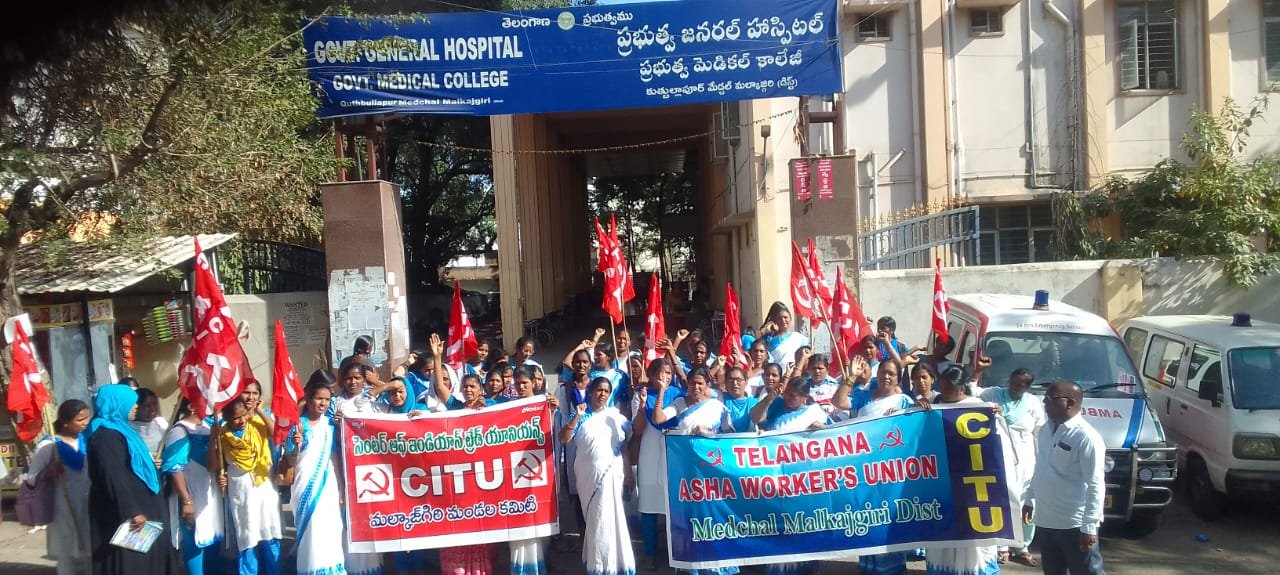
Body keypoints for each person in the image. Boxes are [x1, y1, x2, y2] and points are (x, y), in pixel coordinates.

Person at [919, 366, 1006, 575]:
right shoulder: (931, 405)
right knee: (943, 538)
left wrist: (994, 414)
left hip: (972, 484)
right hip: (940, 483)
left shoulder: (978, 407)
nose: (943, 390)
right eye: (942, 385)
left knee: (973, 541)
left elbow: (997, 447)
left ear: (961, 387)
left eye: (948, 387)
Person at [87, 385, 175, 575]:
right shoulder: (105, 436)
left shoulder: (123, 431)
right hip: (126, 514)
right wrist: (131, 511)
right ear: (117, 404)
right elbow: (114, 476)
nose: (135, 406)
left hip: (144, 506)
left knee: (148, 561)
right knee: (131, 562)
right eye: (131, 402)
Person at [1023, 380, 1107, 575]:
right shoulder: (1045, 430)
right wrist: (1030, 499)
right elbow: (1040, 468)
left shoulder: (1086, 437)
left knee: (1087, 572)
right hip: (1045, 520)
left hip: (1073, 524)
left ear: (1070, 403)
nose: (1043, 402)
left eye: (1050, 399)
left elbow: (1095, 484)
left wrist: (1089, 526)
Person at [749, 377, 827, 575]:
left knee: (804, 524)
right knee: (778, 524)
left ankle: (809, 566)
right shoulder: (776, 406)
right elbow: (755, 417)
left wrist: (821, 430)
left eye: (794, 395)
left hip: (803, 480)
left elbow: (832, 438)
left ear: (805, 398)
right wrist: (769, 398)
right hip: (776, 478)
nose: (789, 397)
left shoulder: (814, 412)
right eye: (788, 392)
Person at [559, 376, 636, 575]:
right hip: (587, 475)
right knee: (595, 518)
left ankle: (612, 565)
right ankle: (597, 563)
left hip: (611, 473)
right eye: (598, 390)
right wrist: (576, 416)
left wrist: (628, 472)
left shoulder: (616, 417)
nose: (602, 394)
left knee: (609, 517)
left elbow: (625, 446)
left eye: (606, 391)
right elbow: (564, 439)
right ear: (591, 392)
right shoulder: (581, 415)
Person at [281, 381, 350, 575]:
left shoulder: (330, 426)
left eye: (327, 399)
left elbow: (335, 458)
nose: (323, 403)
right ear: (309, 399)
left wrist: (341, 488)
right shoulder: (298, 426)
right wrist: (296, 445)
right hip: (305, 485)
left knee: (331, 526)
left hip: (327, 484)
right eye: (319, 398)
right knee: (311, 531)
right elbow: (290, 459)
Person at [982, 368, 1046, 567]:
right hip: (999, 457)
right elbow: (969, 394)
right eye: (1013, 382)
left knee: (1027, 502)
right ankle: (1002, 546)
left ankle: (1022, 547)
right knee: (1001, 499)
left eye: (1020, 385)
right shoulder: (992, 394)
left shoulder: (1033, 403)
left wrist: (1043, 459)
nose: (1015, 387)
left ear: (1027, 387)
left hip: (1026, 460)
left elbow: (1040, 432)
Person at [213, 394, 283, 575]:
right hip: (241, 489)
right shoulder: (222, 436)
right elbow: (214, 465)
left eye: (244, 415)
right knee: (246, 536)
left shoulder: (257, 425)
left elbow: (276, 434)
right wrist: (220, 476)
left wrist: (258, 410)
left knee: (269, 531)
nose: (241, 420)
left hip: (263, 486)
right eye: (236, 417)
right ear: (226, 419)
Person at [26, 399, 91, 575]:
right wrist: (50, 473)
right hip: (62, 506)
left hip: (86, 504)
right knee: (66, 554)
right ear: (65, 422)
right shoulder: (49, 446)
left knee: (89, 552)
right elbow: (31, 479)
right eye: (80, 420)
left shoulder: (86, 442)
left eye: (87, 418)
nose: (85, 423)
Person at [633, 357, 685, 571]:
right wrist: (643, 405)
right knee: (649, 505)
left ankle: (678, 555)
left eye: (668, 374)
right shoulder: (641, 395)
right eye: (660, 374)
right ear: (651, 375)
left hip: (673, 451)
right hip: (649, 451)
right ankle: (651, 553)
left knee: (675, 505)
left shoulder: (678, 395)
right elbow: (637, 430)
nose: (664, 378)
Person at [160, 400, 223, 575]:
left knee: (211, 537)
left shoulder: (210, 426)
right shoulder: (180, 430)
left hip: (209, 493)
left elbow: (214, 463)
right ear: (191, 406)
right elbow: (174, 467)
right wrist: (186, 500)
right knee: (195, 539)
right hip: (191, 493)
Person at [508, 366, 558, 575]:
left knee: (539, 524)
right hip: (512, 474)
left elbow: (552, 433)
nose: (520, 387)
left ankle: (543, 566)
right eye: (517, 383)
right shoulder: (507, 408)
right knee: (518, 523)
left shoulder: (543, 405)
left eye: (524, 383)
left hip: (538, 473)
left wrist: (553, 411)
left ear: (533, 383)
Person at [760, 302, 808, 370]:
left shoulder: (799, 338)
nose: (783, 320)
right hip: (775, 376)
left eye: (785, 317)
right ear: (775, 321)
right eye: (780, 318)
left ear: (790, 319)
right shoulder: (769, 338)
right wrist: (765, 330)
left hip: (795, 375)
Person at [130, 387, 169, 456]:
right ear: (136, 407)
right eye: (147, 406)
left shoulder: (161, 423)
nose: (153, 409)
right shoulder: (128, 429)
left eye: (154, 403)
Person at [719, 365, 758, 433]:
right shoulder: (719, 399)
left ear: (746, 381)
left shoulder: (755, 403)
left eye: (739, 380)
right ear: (725, 383)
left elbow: (762, 425)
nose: (735, 383)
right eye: (730, 380)